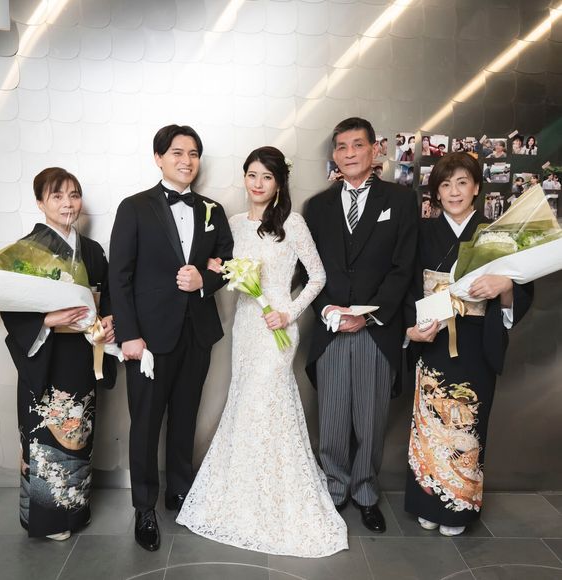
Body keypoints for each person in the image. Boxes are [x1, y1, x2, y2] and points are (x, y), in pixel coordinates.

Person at [176, 146, 348, 557]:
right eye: (252, 175)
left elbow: (318, 276)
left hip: (278, 329)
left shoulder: (292, 224)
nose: (257, 183)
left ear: (278, 183)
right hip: (247, 325)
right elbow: (228, 271)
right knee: (245, 404)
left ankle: (277, 493)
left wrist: (288, 313)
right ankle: (244, 491)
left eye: (266, 177)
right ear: (245, 178)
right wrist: (220, 270)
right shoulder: (233, 224)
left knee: (269, 402)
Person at [109, 124, 234, 552]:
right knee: (145, 425)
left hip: (196, 333)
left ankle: (180, 491)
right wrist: (129, 336)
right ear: (158, 158)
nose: (187, 160)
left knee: (185, 418)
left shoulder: (213, 210)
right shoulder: (134, 207)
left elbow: (227, 263)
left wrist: (204, 281)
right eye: (178, 152)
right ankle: (144, 507)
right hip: (147, 340)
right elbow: (119, 276)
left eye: (194, 153)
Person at [404, 152, 533, 536]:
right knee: (429, 422)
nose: (454, 191)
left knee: (468, 424)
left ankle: (458, 508)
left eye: (462, 182)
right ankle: (427, 501)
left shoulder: (496, 234)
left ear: (477, 187)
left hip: (477, 341)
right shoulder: (423, 231)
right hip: (434, 336)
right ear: (436, 193)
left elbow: (522, 287)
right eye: (445, 185)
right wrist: (411, 329)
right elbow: (407, 284)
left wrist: (505, 285)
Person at [304, 117, 418, 533]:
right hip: (331, 327)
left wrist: (368, 314)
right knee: (332, 415)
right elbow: (308, 270)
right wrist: (329, 312)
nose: (349, 153)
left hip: (377, 327)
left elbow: (404, 267)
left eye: (357, 145)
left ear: (375, 150)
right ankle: (334, 487)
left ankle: (366, 491)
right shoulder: (316, 207)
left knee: (370, 418)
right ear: (334, 155)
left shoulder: (400, 200)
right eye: (342, 147)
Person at [0, 167, 116, 541]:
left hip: (82, 354)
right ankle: (46, 520)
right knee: (43, 439)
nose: (68, 203)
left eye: (74, 195)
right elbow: (8, 303)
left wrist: (109, 321)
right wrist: (48, 319)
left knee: (78, 435)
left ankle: (75, 512)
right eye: (57, 196)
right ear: (40, 203)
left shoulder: (93, 251)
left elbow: (108, 298)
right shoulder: (27, 251)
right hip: (46, 356)